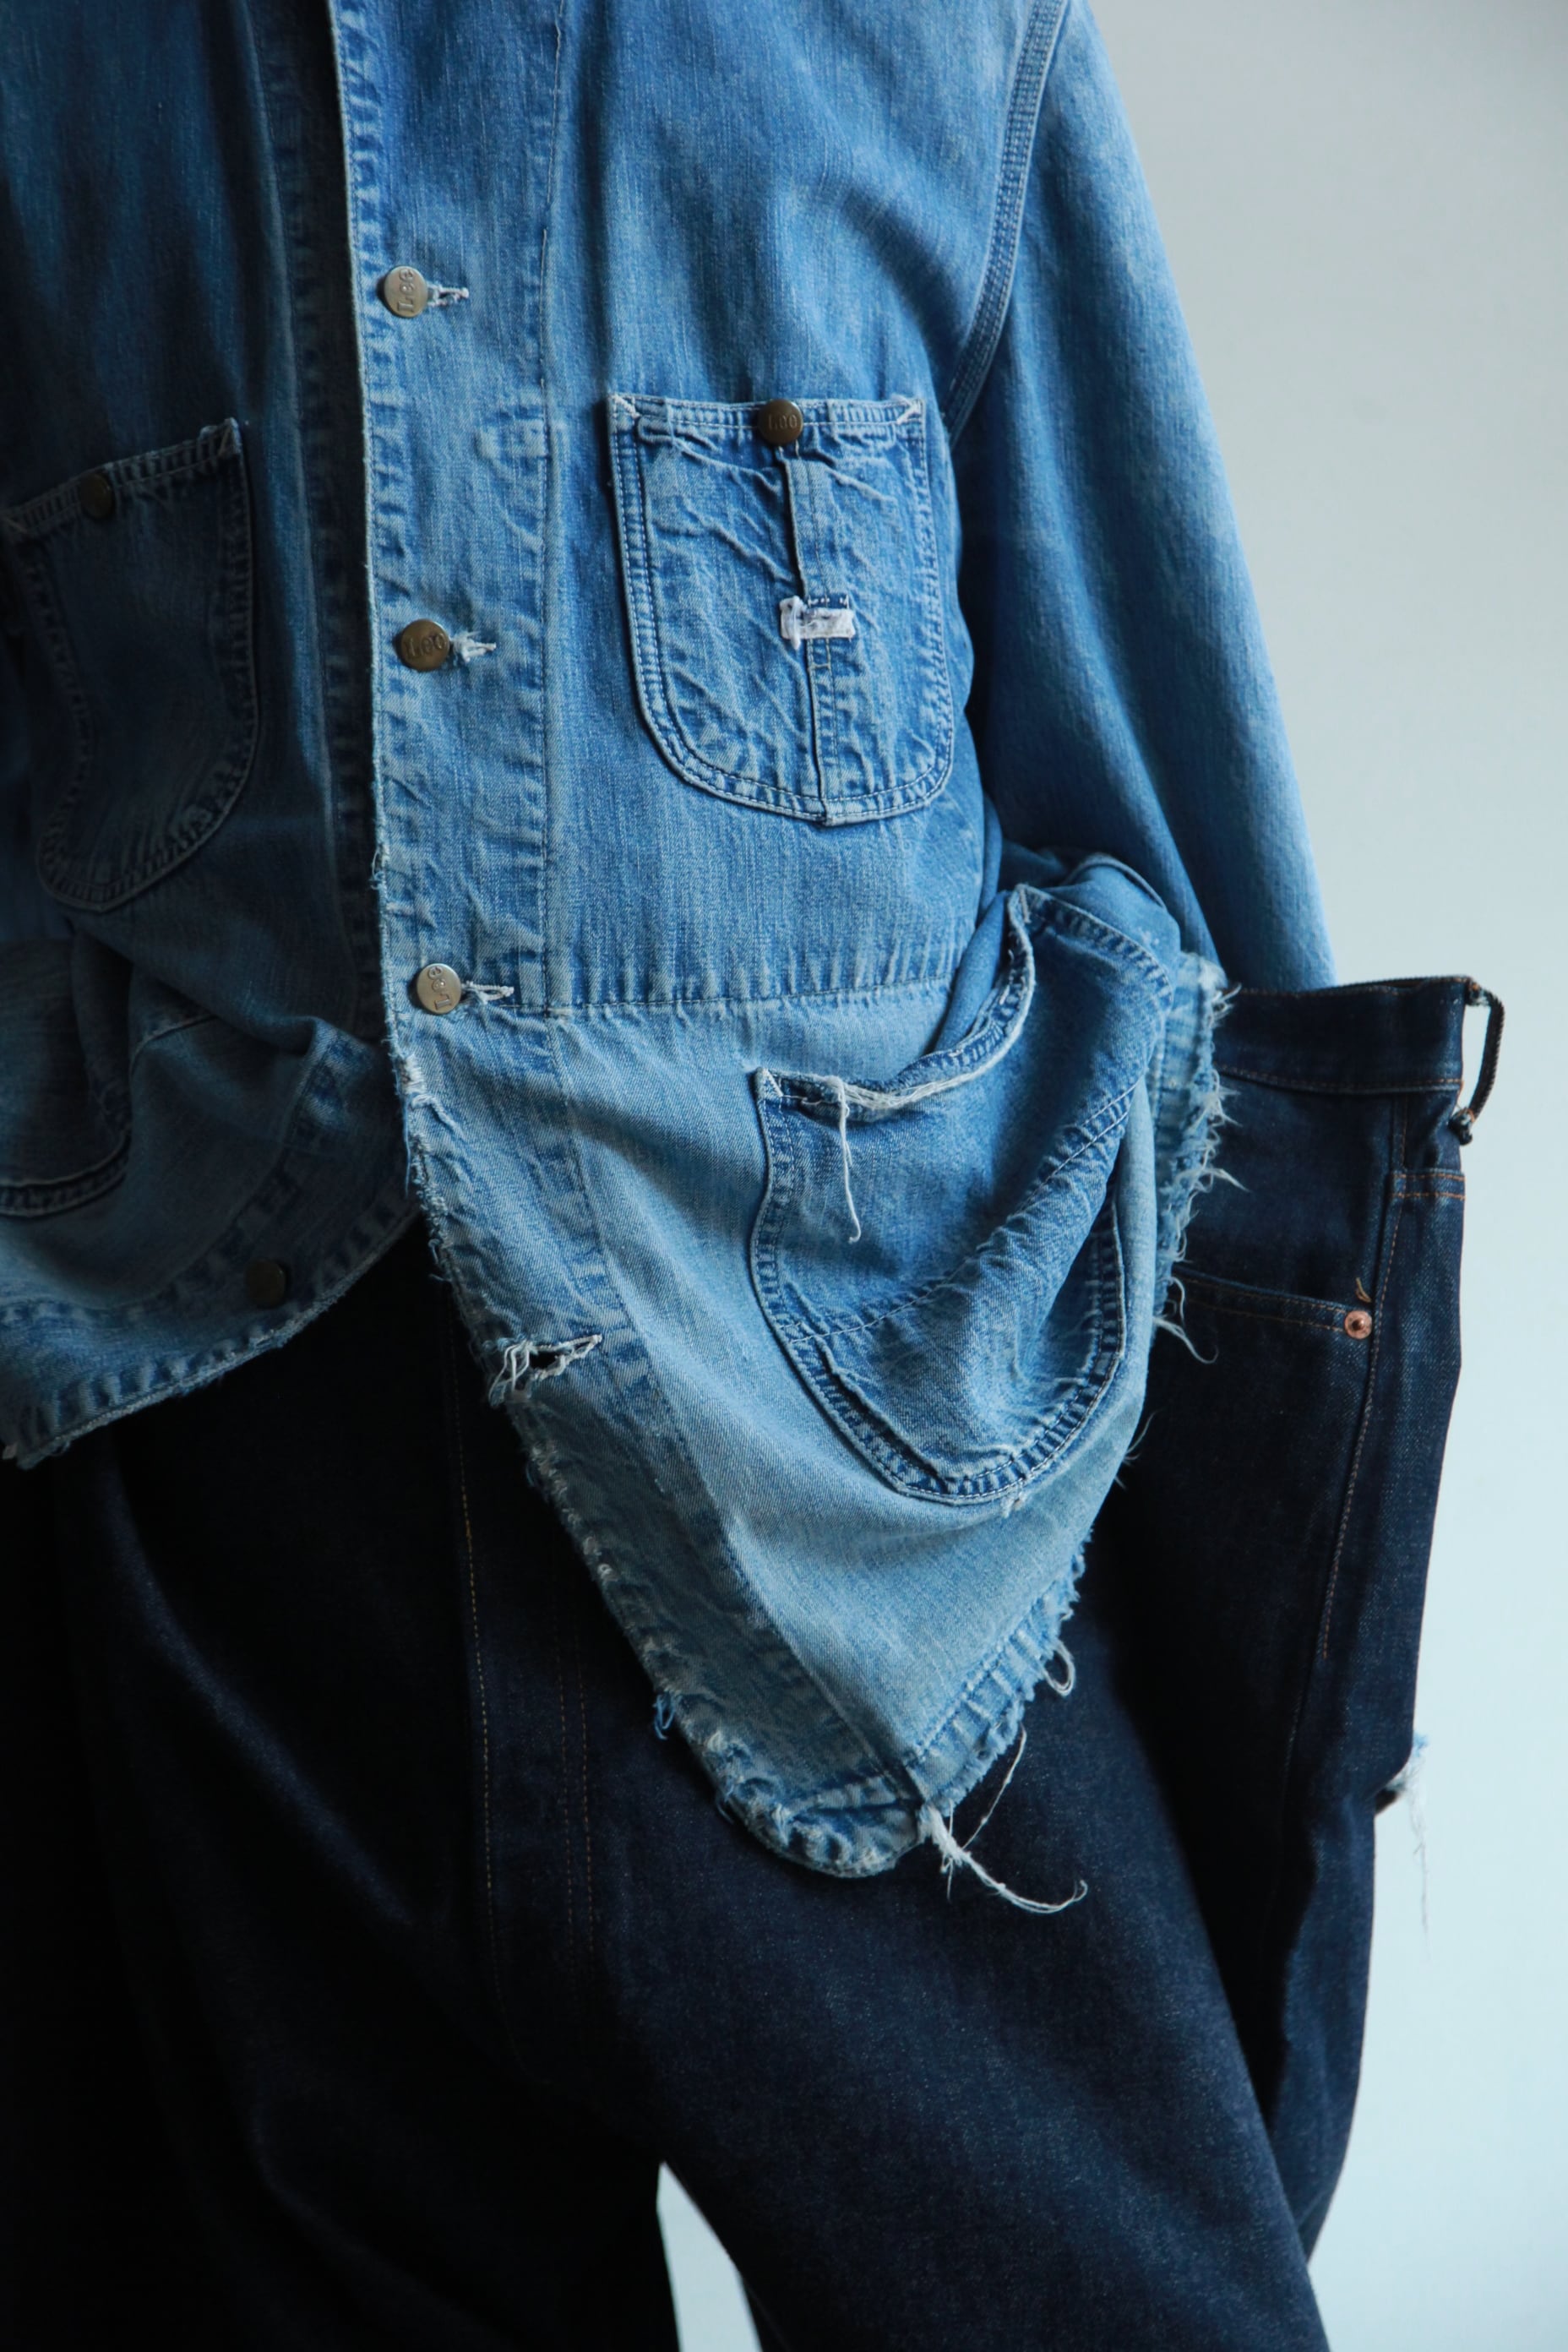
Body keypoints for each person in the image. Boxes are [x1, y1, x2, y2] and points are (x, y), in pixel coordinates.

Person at [0, 2, 1493, 2343]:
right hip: (242, 1536)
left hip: (876, 1507)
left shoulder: (928, 33)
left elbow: (1145, 768)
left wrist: (1294, 1414)